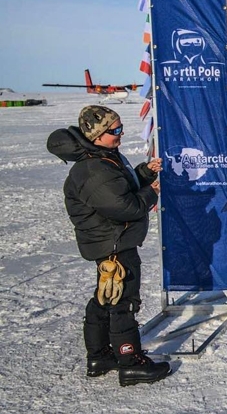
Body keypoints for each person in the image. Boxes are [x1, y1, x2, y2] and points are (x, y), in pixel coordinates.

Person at [47, 106, 171, 385]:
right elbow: (122, 206)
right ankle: (130, 362)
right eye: (114, 130)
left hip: (112, 240)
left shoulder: (101, 157)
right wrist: (150, 194)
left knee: (106, 297)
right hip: (113, 242)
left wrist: (143, 173)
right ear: (98, 135)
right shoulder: (92, 168)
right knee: (123, 300)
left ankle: (100, 355)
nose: (120, 134)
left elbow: (119, 186)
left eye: (120, 127)